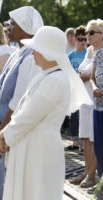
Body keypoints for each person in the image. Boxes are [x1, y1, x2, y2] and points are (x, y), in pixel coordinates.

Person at [0, 26, 92, 200]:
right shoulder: (47, 75)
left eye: (36, 49)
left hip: (39, 149)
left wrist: (5, 134)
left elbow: (29, 116)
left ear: (48, 52)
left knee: (36, 193)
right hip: (33, 145)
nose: (33, 53)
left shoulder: (55, 79)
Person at [0, 6, 43, 200]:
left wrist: (1, 132)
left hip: (14, 131)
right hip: (4, 128)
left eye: (12, 24)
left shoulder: (32, 57)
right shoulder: (18, 53)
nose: (7, 28)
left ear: (26, 28)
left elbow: (17, 102)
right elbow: (1, 96)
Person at [71, 19, 103, 190]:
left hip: (96, 101)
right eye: (87, 32)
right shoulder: (90, 50)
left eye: (91, 33)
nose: (87, 36)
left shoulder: (102, 52)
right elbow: (81, 72)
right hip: (85, 99)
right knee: (85, 138)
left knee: (94, 138)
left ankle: (93, 174)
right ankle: (86, 171)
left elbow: (87, 75)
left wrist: (79, 76)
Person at [66, 26, 87, 151]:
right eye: (80, 39)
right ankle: (75, 143)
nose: (83, 42)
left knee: (83, 117)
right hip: (74, 90)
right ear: (75, 39)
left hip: (86, 90)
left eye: (85, 39)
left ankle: (85, 144)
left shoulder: (89, 53)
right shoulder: (71, 55)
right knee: (73, 117)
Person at [91, 38, 103, 189]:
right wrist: (94, 88)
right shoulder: (99, 54)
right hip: (98, 107)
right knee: (99, 149)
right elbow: (92, 78)